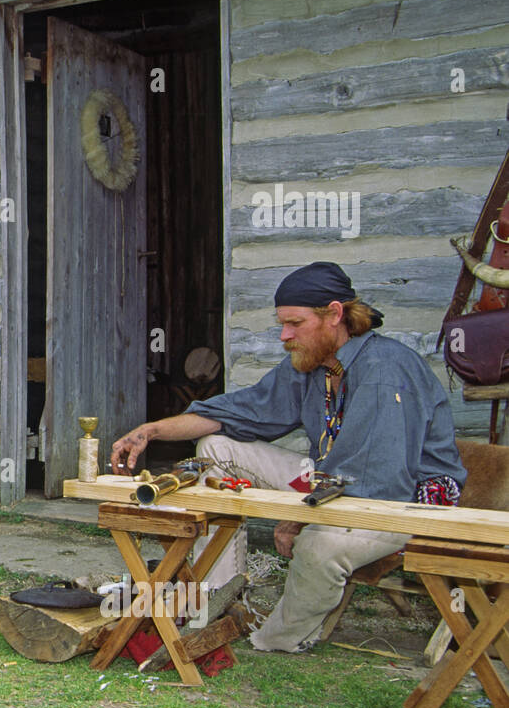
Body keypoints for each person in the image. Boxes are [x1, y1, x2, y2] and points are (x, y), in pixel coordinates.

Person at [110, 261, 465, 651]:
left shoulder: (383, 370)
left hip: (399, 501)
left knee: (318, 547)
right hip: (332, 480)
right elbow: (238, 411)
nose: (284, 335)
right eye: (282, 324)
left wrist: (298, 518)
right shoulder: (311, 365)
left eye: (295, 324)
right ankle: (218, 601)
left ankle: (278, 641)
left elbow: (372, 478)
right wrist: (151, 431)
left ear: (334, 314)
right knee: (216, 448)